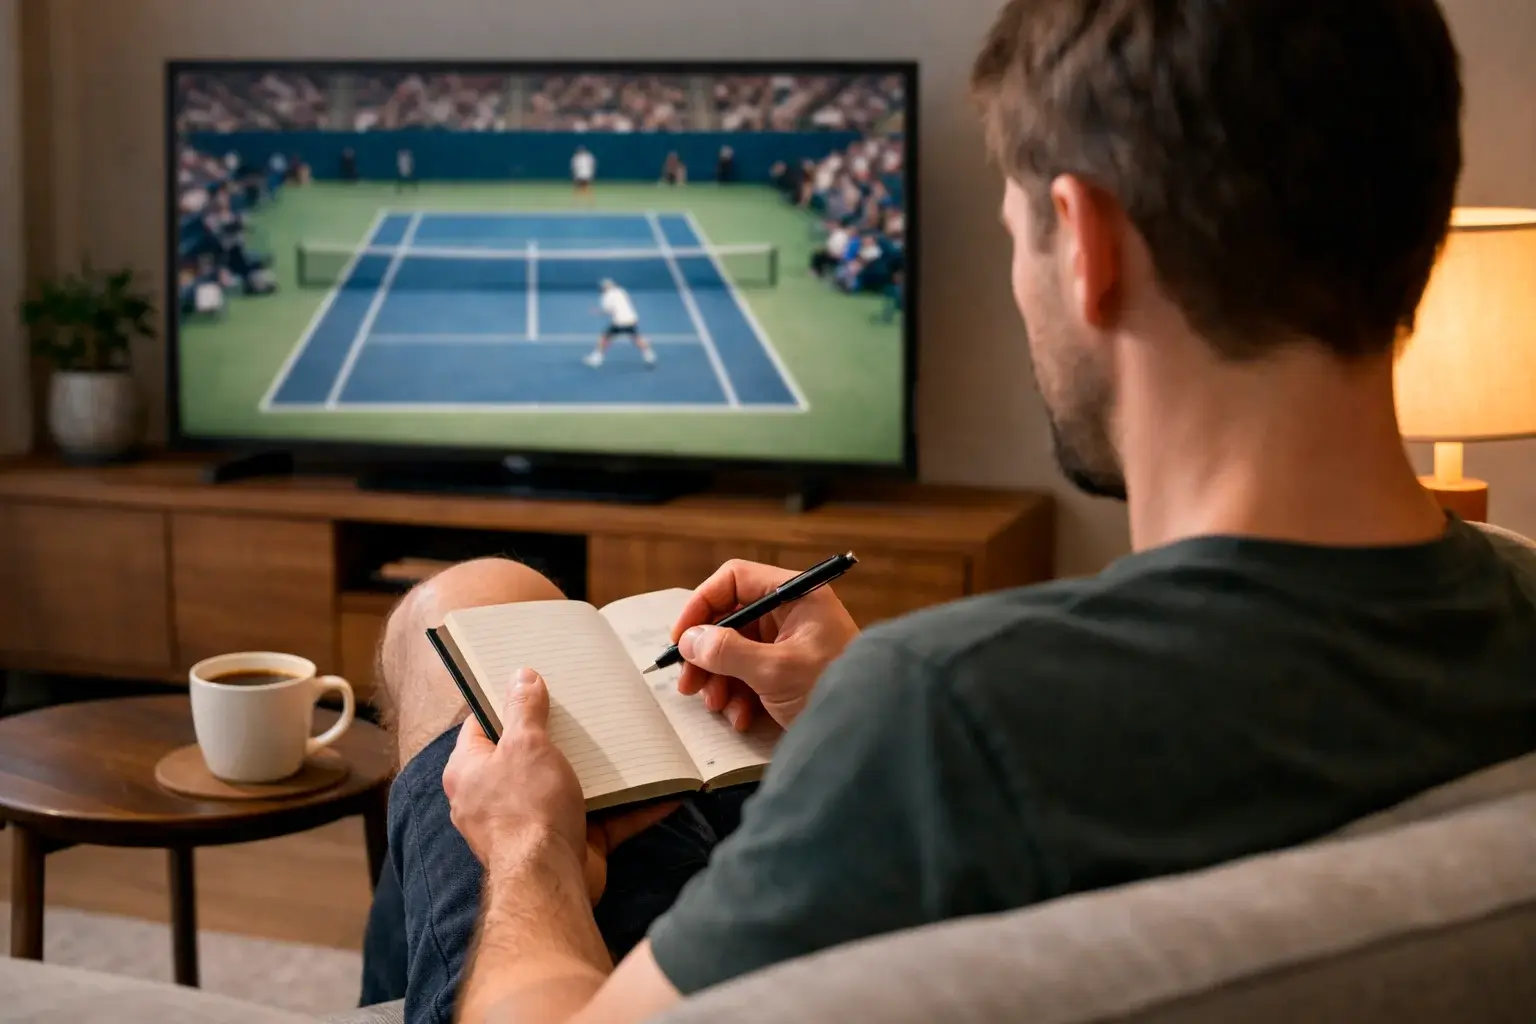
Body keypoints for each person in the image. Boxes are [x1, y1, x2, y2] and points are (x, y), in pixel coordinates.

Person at [361, 3, 1536, 1023]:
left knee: (465, 613)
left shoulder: (939, 712)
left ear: (1086, 244)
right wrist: (858, 714)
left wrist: (528, 853)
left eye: (1015, 228)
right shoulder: (1518, 599)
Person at [583, 278, 657, 369]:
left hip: (619, 322)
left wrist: (597, 312)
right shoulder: (621, 291)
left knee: (604, 338)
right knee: (635, 338)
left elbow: (608, 311)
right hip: (631, 319)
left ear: (604, 288)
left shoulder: (606, 297)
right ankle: (650, 356)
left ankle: (597, 358)